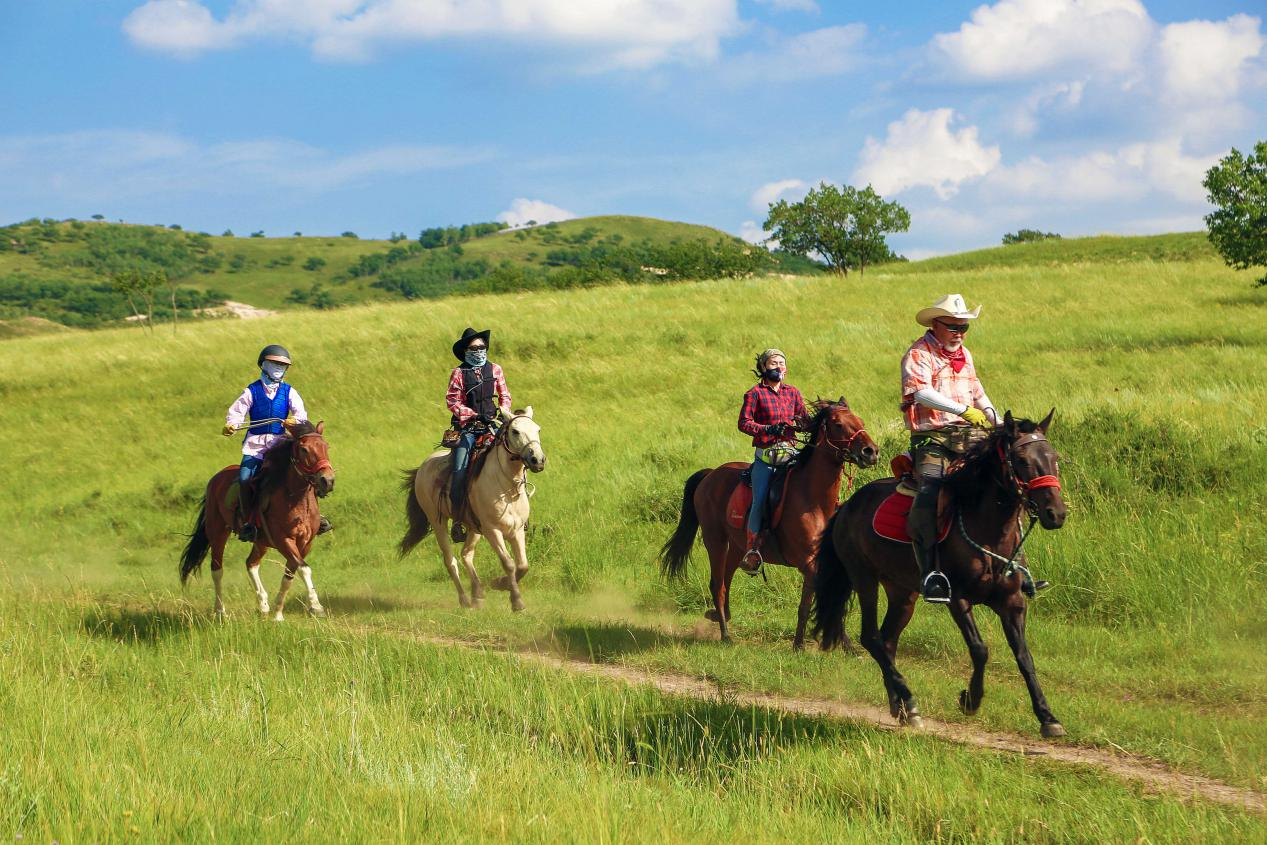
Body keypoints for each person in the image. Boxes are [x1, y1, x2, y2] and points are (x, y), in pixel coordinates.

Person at [900, 294, 1044, 603]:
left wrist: (996, 423)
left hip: (970, 439)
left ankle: (1018, 566)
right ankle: (931, 574)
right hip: (933, 440)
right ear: (936, 324)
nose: (959, 334)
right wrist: (962, 410)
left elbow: (977, 392)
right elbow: (921, 393)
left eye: (964, 328)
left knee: (1006, 489)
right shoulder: (918, 353)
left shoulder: (965, 354)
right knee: (927, 497)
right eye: (953, 327)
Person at [222, 344, 332, 542]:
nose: (278, 367)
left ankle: (316, 516)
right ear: (263, 364)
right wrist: (231, 425)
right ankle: (248, 523)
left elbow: (301, 415)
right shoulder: (251, 391)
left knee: (305, 472)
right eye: (274, 363)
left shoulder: (289, 392)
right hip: (255, 447)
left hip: (280, 446)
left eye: (282, 365)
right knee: (246, 478)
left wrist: (294, 422)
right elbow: (237, 412)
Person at [737, 348, 807, 574]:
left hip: (791, 454)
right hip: (766, 457)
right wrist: (768, 428)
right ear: (763, 368)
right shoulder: (755, 394)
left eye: (781, 363)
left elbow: (804, 419)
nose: (778, 367)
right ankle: (752, 551)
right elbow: (744, 423)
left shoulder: (793, 393)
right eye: (773, 363)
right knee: (759, 501)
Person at [445, 327, 513, 542]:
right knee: (459, 469)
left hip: (493, 423)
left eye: (482, 347)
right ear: (466, 351)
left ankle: (520, 511)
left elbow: (505, 395)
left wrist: (503, 412)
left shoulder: (496, 369)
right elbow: (452, 401)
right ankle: (457, 520)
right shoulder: (458, 373)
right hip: (468, 428)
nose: (479, 351)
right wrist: (473, 415)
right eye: (474, 348)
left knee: (515, 455)